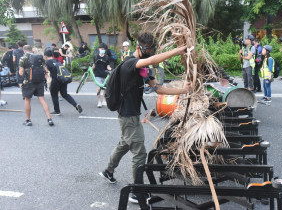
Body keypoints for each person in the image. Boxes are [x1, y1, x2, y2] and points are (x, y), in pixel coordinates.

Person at [99, 32, 191, 204]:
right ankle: (136, 191)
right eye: (147, 50)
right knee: (139, 152)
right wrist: (179, 50)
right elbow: (152, 61)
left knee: (125, 143)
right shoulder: (129, 64)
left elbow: (159, 89)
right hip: (127, 115)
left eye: (152, 50)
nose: (149, 53)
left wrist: (183, 90)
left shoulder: (142, 69)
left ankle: (108, 171)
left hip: (132, 114)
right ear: (138, 48)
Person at [19, 45, 54, 126]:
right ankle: (49, 119)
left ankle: (28, 120)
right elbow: (46, 70)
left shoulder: (23, 58)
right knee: (42, 99)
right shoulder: (39, 57)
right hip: (40, 81)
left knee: (27, 100)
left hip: (28, 82)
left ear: (24, 51)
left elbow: (21, 72)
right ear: (31, 50)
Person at [44, 49, 82, 115]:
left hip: (55, 80)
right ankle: (75, 105)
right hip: (63, 79)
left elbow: (46, 72)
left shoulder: (47, 62)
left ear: (45, 56)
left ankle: (57, 111)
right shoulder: (56, 61)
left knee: (54, 95)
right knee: (65, 94)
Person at [92, 43, 113, 107]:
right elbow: (94, 66)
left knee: (104, 89)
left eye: (104, 49)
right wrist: (90, 69)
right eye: (101, 49)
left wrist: (111, 69)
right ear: (99, 49)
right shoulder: (96, 56)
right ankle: (99, 102)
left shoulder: (107, 57)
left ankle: (104, 100)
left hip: (105, 75)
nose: (102, 50)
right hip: (97, 74)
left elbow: (108, 66)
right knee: (98, 88)